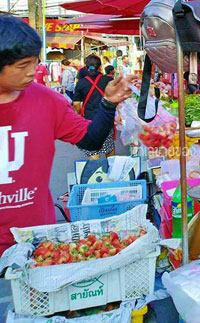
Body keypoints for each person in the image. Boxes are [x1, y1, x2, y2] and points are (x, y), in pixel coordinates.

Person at [0, 15, 134, 254]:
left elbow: (91, 140)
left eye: (35, 62)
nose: (34, 71)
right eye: (23, 65)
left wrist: (108, 103)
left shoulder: (46, 100)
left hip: (37, 238)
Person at [73, 55, 116, 159]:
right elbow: (114, 99)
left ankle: (97, 172)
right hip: (106, 119)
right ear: (100, 67)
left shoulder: (81, 83)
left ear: (85, 67)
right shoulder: (108, 80)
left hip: (89, 121)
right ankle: (112, 171)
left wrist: (78, 114)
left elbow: (76, 104)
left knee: (93, 151)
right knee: (109, 149)